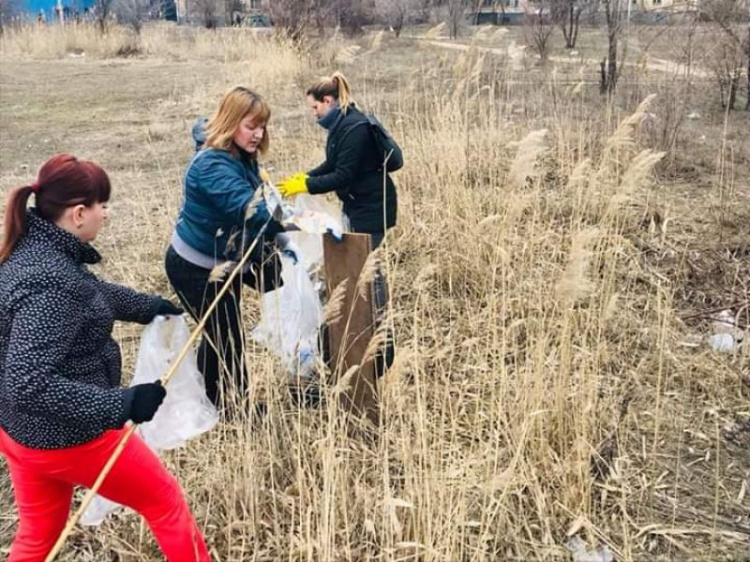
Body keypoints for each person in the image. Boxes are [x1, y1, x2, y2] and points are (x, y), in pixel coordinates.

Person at [0, 154, 211, 561]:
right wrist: (121, 404)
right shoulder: (52, 283)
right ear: (79, 213)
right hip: (69, 438)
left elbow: (89, 296)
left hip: (19, 434)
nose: (107, 215)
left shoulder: (33, 251)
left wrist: (146, 305)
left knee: (38, 535)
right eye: (103, 205)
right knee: (164, 500)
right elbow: (27, 382)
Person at [165, 86, 296, 412]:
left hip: (223, 262)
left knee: (218, 334)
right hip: (195, 266)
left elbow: (261, 207)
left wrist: (286, 245)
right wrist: (301, 222)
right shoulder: (211, 166)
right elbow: (251, 210)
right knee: (227, 339)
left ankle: (208, 401)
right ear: (231, 121)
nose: (258, 134)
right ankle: (236, 409)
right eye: (250, 126)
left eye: (262, 126)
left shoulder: (242, 157)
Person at [278, 72, 396, 376]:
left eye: (314, 108)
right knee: (361, 265)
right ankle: (364, 319)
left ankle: (382, 332)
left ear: (327, 101)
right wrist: (303, 178)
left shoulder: (354, 127)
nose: (314, 114)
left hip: (373, 208)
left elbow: (342, 175)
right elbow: (332, 165)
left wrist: (307, 185)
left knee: (371, 269)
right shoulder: (341, 124)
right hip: (358, 205)